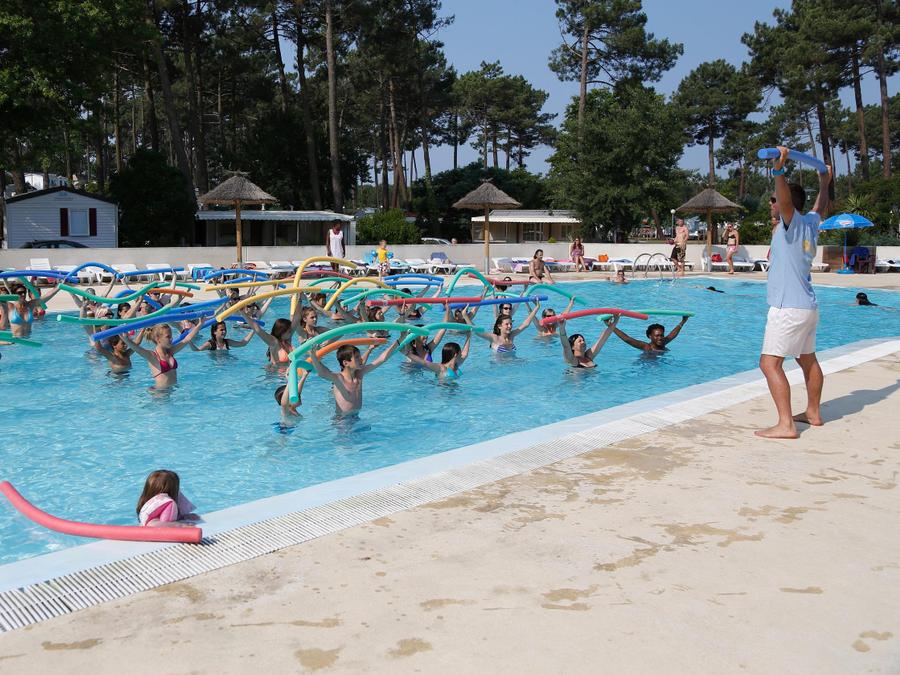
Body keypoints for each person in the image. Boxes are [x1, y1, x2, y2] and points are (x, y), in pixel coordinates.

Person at [756, 145, 831, 439]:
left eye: (774, 200)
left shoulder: (794, 223)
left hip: (787, 307)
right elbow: (820, 206)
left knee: (769, 363)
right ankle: (812, 412)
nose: (772, 204)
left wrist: (779, 169)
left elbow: (787, 201)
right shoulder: (811, 223)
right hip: (807, 307)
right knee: (807, 359)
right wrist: (824, 181)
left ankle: (786, 425)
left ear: (785, 203)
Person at [308, 339, 403, 414]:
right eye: (357, 357)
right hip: (343, 422)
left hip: (357, 416)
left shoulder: (359, 374)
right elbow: (322, 373)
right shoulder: (339, 379)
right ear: (346, 363)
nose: (360, 359)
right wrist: (312, 355)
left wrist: (400, 340)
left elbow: (381, 359)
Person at [122, 322, 202, 388]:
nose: (171, 339)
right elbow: (136, 348)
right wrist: (125, 338)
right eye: (168, 337)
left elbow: (187, 339)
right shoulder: (152, 356)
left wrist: (200, 324)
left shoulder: (170, 351)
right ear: (158, 339)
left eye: (171, 336)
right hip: (159, 394)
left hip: (173, 390)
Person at [472, 302, 540, 353]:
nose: (510, 326)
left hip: (513, 365)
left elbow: (525, 324)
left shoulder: (511, 336)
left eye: (510, 324)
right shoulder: (495, 338)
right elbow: (477, 331)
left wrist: (537, 307)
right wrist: (466, 317)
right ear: (499, 326)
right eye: (507, 324)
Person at [608, 317, 689, 354]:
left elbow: (672, 334)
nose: (660, 338)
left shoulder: (663, 342)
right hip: (648, 366)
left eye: (662, 335)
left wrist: (683, 321)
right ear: (650, 336)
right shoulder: (646, 347)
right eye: (657, 335)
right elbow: (627, 339)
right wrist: (610, 325)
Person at [406, 334, 471, 379]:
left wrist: (469, 336)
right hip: (443, 394)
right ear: (455, 354)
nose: (461, 354)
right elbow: (424, 363)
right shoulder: (441, 368)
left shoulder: (456, 365)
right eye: (460, 353)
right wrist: (407, 353)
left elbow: (465, 354)